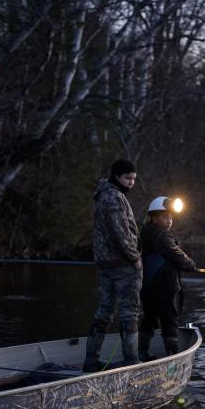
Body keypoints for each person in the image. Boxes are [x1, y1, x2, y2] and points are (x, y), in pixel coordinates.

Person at [82, 159, 143, 372]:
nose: (131, 183)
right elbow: (120, 233)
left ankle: (91, 360)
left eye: (134, 179)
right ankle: (131, 360)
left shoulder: (101, 196)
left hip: (105, 262)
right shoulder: (115, 198)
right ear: (117, 176)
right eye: (128, 178)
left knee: (105, 310)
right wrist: (134, 257)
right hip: (122, 263)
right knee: (129, 311)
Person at [138, 196, 196, 360]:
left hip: (147, 288)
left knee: (149, 319)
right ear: (154, 217)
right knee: (169, 321)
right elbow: (179, 257)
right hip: (164, 289)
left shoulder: (144, 233)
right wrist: (191, 265)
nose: (169, 221)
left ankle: (142, 352)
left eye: (171, 217)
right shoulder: (163, 237)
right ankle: (173, 356)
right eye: (165, 217)